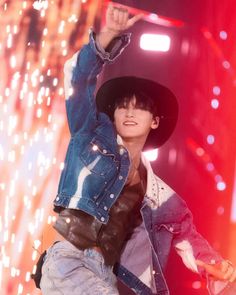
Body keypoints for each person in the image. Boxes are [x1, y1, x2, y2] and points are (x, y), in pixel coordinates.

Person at [37, 4, 236, 295]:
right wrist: (108, 37)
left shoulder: (157, 193)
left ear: (154, 121)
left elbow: (186, 237)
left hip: (101, 275)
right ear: (113, 113)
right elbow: (77, 81)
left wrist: (218, 268)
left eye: (140, 107)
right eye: (123, 106)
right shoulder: (89, 134)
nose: (130, 113)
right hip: (68, 261)